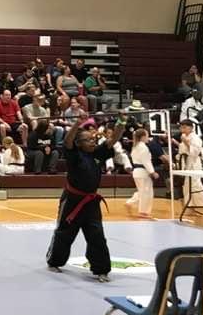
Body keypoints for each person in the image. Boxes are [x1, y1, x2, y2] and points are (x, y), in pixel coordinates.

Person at [46, 115, 126, 282]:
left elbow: (113, 139)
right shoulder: (74, 155)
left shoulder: (98, 153)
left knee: (97, 235)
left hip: (91, 203)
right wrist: (77, 123)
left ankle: (101, 270)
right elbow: (67, 141)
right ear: (79, 143)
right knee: (64, 233)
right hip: (72, 201)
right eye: (88, 140)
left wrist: (121, 121)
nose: (92, 142)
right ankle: (54, 261)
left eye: (93, 139)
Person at [177, 119, 203, 209]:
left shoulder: (196, 138)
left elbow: (195, 152)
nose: (183, 129)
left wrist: (186, 142)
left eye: (185, 127)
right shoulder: (183, 136)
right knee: (187, 184)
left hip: (194, 162)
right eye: (181, 127)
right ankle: (190, 204)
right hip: (186, 162)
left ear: (191, 128)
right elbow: (182, 151)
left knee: (195, 184)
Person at [126, 128, 157, 218]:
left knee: (142, 191)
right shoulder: (143, 147)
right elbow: (146, 161)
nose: (148, 138)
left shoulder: (135, 146)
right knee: (147, 193)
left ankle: (130, 202)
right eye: (147, 136)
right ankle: (143, 212)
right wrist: (152, 172)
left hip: (137, 172)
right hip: (143, 172)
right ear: (143, 137)